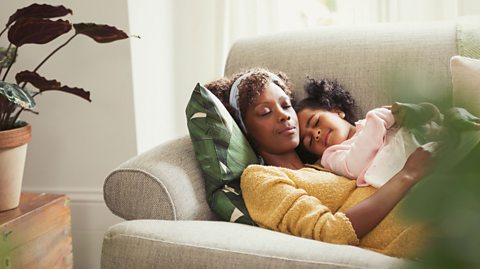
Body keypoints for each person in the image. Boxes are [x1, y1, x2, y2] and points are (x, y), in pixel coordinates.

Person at [205, 68, 435, 258]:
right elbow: (331, 232)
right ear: (245, 130)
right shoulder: (259, 178)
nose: (284, 115)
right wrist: (407, 175)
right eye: (265, 112)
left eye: (285, 106)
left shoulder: (328, 159)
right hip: (423, 236)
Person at [295, 78, 446, 188]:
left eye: (315, 122)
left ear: (337, 111)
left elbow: (425, 119)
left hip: (436, 151)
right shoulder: (332, 156)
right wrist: (380, 117)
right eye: (309, 141)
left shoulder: (371, 123)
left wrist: (415, 112)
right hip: (414, 180)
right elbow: (354, 167)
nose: (316, 134)